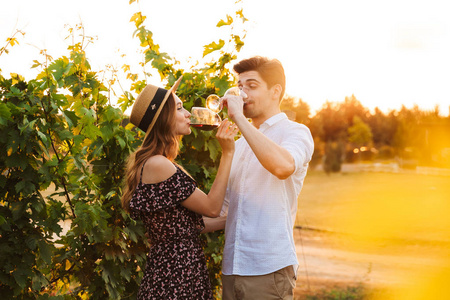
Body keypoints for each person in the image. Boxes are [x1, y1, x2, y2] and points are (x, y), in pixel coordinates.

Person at [121, 77, 239, 300]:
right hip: (175, 276)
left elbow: (187, 227)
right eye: (179, 108)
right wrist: (228, 153)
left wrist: (236, 216)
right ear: (163, 119)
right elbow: (212, 208)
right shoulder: (159, 164)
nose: (188, 114)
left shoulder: (160, 162)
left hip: (178, 270)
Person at [218, 56, 315, 299]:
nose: (242, 94)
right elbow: (227, 211)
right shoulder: (238, 146)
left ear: (276, 91)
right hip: (232, 269)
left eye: (251, 86)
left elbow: (283, 167)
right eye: (239, 87)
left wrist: (239, 118)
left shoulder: (296, 132)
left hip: (269, 269)